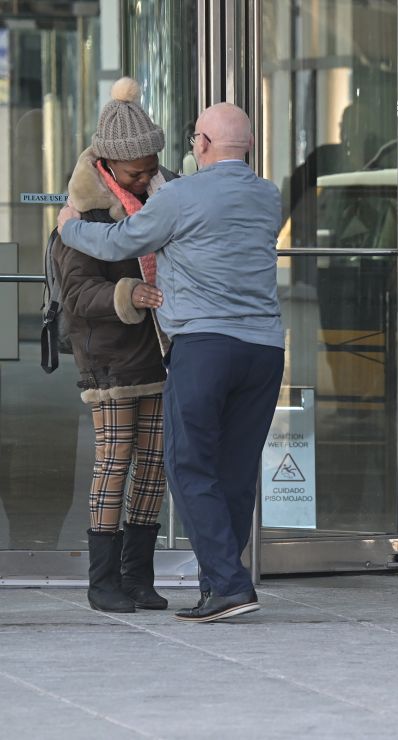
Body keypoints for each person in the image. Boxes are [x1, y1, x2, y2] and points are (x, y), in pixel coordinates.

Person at [57, 102, 284, 624]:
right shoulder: (267, 196)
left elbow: (122, 239)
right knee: (235, 471)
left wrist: (69, 227)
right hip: (265, 348)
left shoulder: (181, 197)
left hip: (206, 346)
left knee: (188, 465)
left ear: (201, 144)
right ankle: (220, 583)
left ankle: (227, 586)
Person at [56, 77, 174, 613]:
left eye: (152, 168)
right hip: (108, 355)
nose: (148, 179)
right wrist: (130, 292)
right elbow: (77, 293)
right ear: (107, 166)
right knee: (116, 461)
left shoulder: (161, 196)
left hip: (159, 352)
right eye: (137, 172)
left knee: (152, 464)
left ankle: (138, 576)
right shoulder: (80, 214)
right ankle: (102, 580)